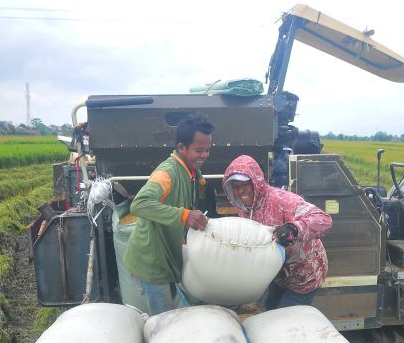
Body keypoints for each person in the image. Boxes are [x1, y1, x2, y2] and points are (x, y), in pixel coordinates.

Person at [123, 112, 213, 315]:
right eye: (199, 150)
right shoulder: (167, 173)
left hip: (168, 256)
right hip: (152, 263)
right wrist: (184, 215)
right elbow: (139, 204)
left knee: (176, 310)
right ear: (181, 147)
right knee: (164, 321)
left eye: (208, 150)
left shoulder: (191, 173)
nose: (205, 155)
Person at [223, 155, 332, 309]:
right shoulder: (243, 207)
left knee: (284, 320)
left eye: (245, 184)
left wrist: (294, 229)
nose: (240, 191)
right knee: (268, 309)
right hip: (279, 274)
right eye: (235, 186)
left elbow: (323, 220)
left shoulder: (283, 201)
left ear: (256, 182)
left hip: (304, 274)